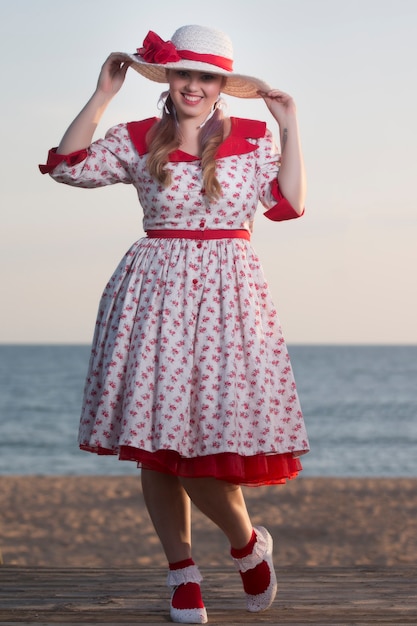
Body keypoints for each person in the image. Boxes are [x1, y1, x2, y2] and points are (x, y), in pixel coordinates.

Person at [40, 24, 309, 624]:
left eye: (206, 76)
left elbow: (289, 204)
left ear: (221, 86)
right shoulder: (137, 138)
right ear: (168, 79)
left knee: (215, 438)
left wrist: (290, 127)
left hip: (230, 299)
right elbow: (66, 166)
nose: (193, 85)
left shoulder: (254, 137)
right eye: (182, 73)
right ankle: (182, 573)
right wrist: (104, 93)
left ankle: (245, 543)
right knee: (157, 446)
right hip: (152, 297)